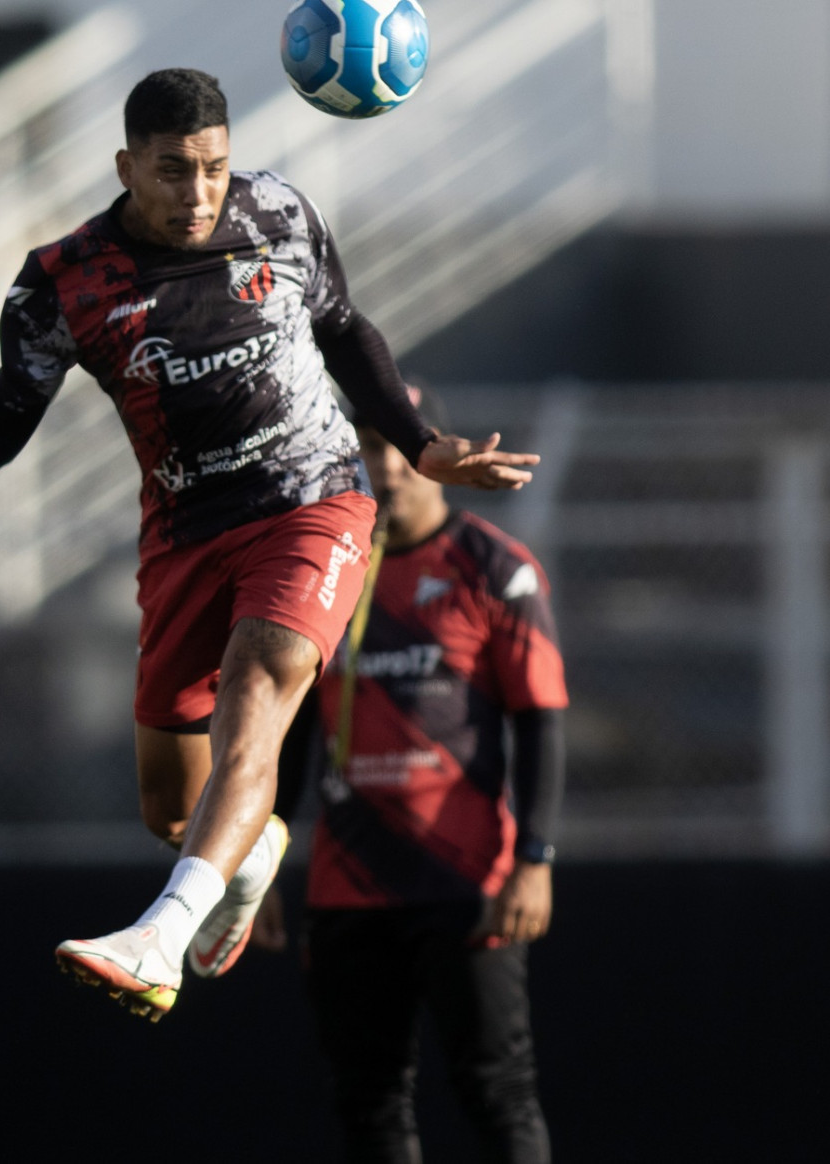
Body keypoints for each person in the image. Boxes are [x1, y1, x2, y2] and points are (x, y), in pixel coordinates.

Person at [0, 68, 538, 1020]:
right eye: (173, 172)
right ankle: (252, 849)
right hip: (186, 536)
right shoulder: (61, 281)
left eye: (213, 168)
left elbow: (344, 331)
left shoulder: (281, 215)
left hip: (313, 503)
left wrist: (422, 448)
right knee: (172, 810)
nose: (198, 193)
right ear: (125, 166)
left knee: (260, 689)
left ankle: (156, 941)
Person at [257, 383, 564, 1162]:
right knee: (367, 1100)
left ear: (436, 456)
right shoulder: (323, 575)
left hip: (465, 880)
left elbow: (539, 722)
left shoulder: (492, 567)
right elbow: (289, 737)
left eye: (399, 449)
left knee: (495, 1089)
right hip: (347, 884)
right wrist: (254, 868)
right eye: (364, 449)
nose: (384, 469)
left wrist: (533, 860)